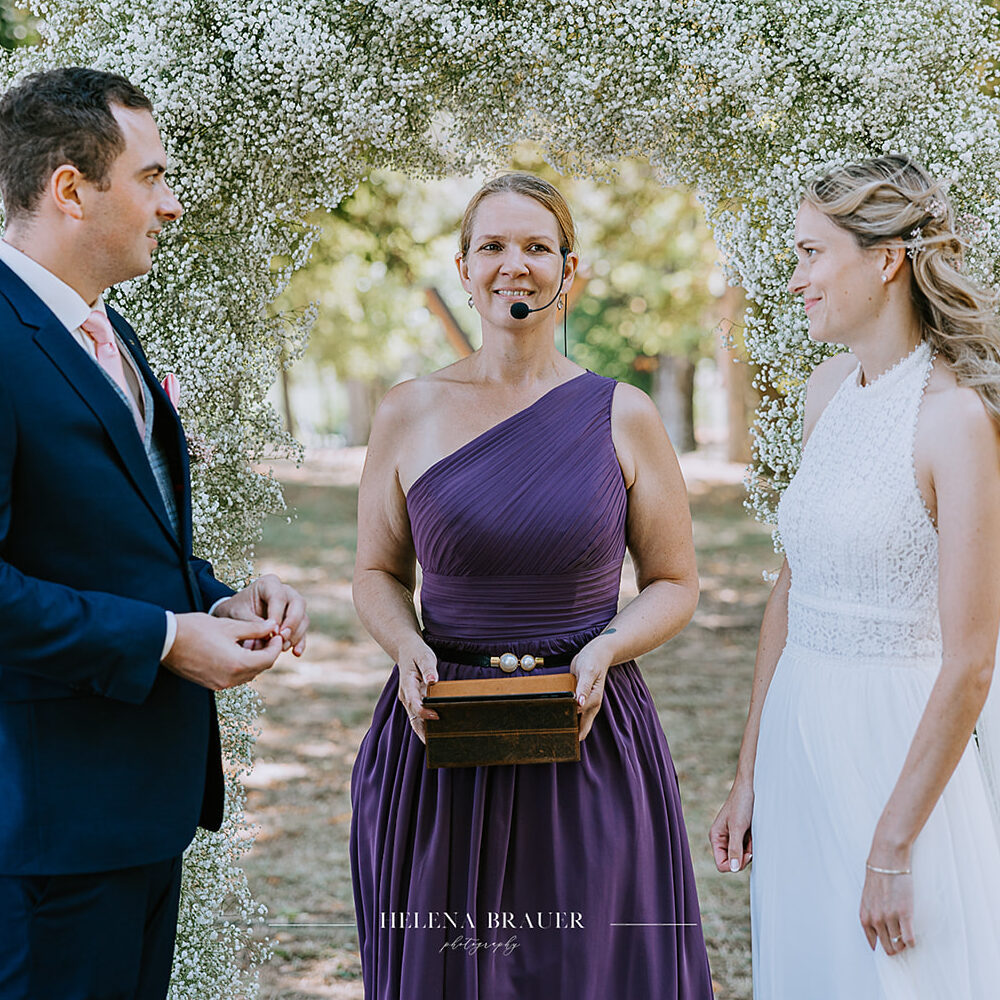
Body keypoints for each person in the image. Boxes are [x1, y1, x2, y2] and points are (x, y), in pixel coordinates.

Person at [350, 172, 714, 999]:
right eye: (492, 246)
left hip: (586, 731)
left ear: (569, 269)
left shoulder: (625, 413)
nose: (513, 264)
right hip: (439, 734)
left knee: (589, 971)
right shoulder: (407, 410)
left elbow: (674, 581)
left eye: (536, 247)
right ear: (463, 268)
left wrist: (608, 647)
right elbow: (376, 572)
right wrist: (404, 645)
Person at [0, 67, 309, 999]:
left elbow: (118, 534)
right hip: (44, 830)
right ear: (70, 189)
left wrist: (218, 600)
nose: (170, 205)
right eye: (151, 178)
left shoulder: (109, 331)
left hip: (139, 812)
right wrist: (168, 640)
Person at [710, 155, 1000, 998]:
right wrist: (750, 771)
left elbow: (972, 660)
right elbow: (792, 588)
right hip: (799, 739)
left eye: (812, 253)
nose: (795, 278)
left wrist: (894, 845)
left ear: (886, 260)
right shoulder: (826, 389)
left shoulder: (956, 420)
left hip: (897, 755)